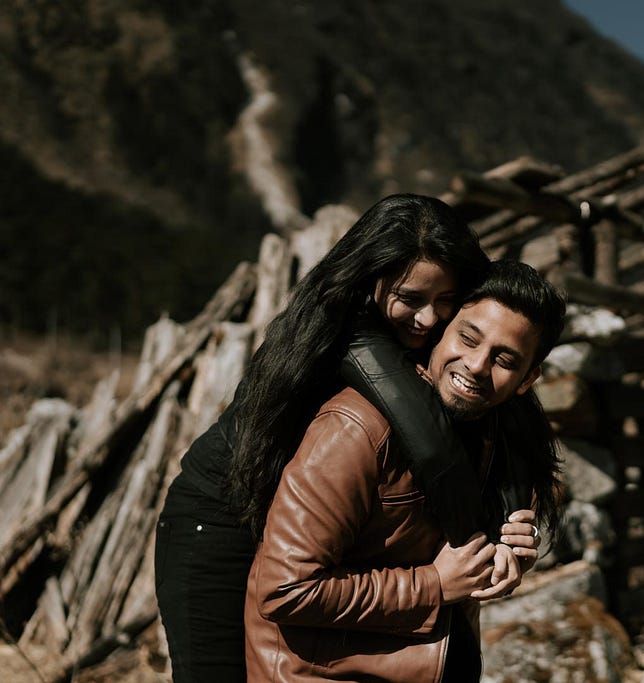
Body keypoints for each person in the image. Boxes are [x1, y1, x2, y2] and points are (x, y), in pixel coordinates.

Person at [154, 195, 548, 683]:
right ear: (371, 281)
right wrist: (469, 548)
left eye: (446, 301)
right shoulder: (350, 339)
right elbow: (436, 450)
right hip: (218, 519)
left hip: (292, 531)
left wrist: (512, 523)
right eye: (411, 298)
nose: (428, 319)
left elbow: (508, 416)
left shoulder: (456, 350)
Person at [244, 259, 566, 682]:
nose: (475, 365)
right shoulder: (355, 430)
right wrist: (432, 584)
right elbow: (284, 589)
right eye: (468, 338)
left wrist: (508, 552)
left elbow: (452, 553)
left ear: (527, 380)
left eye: (504, 360)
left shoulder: (495, 437)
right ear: (441, 330)